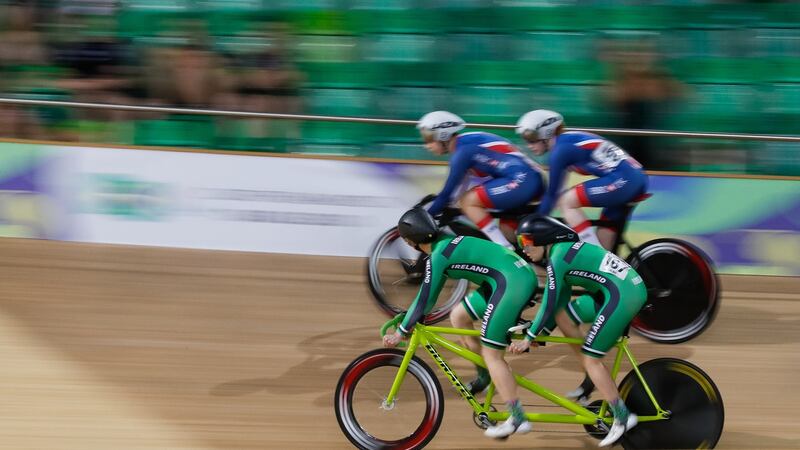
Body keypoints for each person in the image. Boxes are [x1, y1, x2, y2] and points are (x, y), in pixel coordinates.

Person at [383, 207, 538, 440]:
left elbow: (426, 299)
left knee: (492, 353)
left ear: (409, 242)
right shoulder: (445, 241)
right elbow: (426, 298)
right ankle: (485, 376)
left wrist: (401, 331)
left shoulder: (438, 256)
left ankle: (517, 417)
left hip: (511, 282)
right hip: (509, 276)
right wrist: (409, 320)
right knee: (459, 317)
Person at [508, 214, 646, 447]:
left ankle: (623, 417)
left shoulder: (559, 258)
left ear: (543, 239)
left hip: (623, 295)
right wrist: (539, 333)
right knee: (566, 317)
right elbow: (558, 305)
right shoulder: (562, 252)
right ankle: (591, 381)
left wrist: (529, 338)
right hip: (615, 290)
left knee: (592, 358)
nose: (524, 250)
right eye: (520, 244)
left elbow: (549, 302)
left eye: (527, 243)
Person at [515, 110, 648, 250]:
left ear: (545, 133)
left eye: (530, 137)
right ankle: (605, 264)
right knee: (605, 232)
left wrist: (534, 222)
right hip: (633, 178)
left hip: (624, 180)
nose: (528, 144)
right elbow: (557, 189)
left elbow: (553, 194)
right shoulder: (567, 142)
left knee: (566, 202)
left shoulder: (560, 151)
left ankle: (593, 254)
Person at [417, 111, 545, 250]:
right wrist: (443, 204)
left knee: (468, 201)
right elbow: (455, 192)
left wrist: (425, 218)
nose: (426, 145)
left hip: (522, 180)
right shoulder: (465, 144)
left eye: (429, 139)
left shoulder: (462, 153)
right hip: (531, 180)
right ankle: (530, 258)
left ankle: (504, 249)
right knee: (507, 231)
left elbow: (447, 193)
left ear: (443, 135)